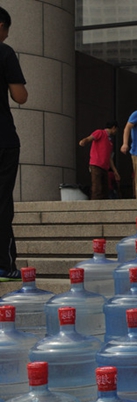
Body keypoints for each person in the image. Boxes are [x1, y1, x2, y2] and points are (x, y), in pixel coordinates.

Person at [0, 6, 26, 281]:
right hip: (3, 139)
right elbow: (20, 96)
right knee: (2, 202)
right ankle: (5, 265)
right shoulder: (4, 53)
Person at [78, 120, 119, 200]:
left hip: (105, 167)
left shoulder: (110, 141)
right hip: (96, 164)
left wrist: (115, 171)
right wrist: (84, 141)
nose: (116, 132)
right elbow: (90, 138)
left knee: (105, 189)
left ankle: (103, 205)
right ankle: (95, 206)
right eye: (116, 130)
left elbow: (109, 158)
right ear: (114, 128)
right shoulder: (100, 132)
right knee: (97, 188)